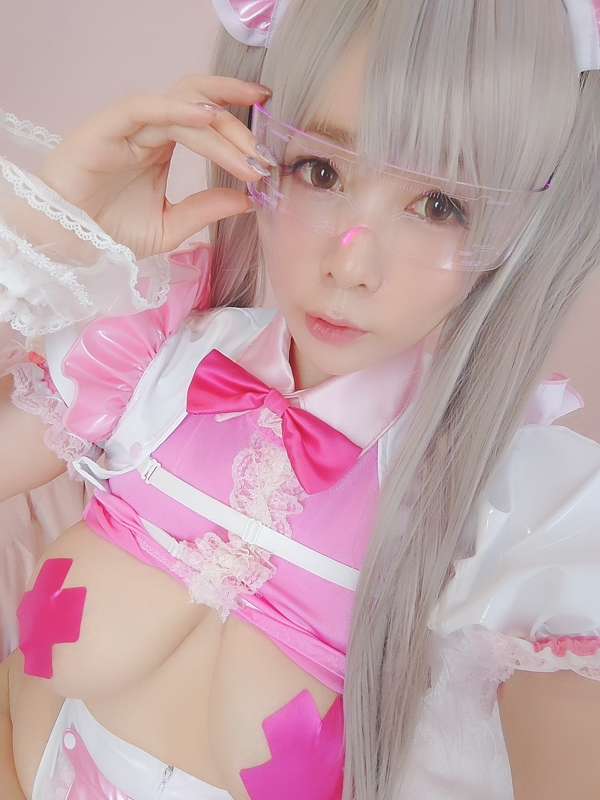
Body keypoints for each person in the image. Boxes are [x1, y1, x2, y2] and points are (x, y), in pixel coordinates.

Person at [1, 0, 600, 797]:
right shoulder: (158, 346)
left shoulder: (509, 500)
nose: (351, 265)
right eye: (320, 171)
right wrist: (43, 248)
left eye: (441, 206)